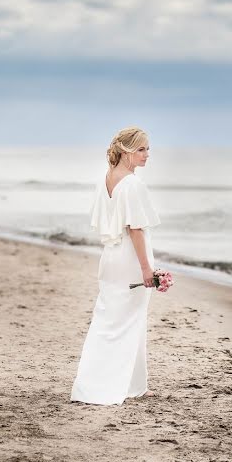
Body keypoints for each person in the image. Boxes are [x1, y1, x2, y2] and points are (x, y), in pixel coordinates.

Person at [70, 126, 161, 405]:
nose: (147, 155)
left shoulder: (107, 178)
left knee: (112, 320)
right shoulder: (133, 185)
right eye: (141, 149)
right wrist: (147, 269)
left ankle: (134, 385)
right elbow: (135, 229)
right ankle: (105, 387)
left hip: (110, 258)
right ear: (125, 151)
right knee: (125, 323)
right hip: (129, 259)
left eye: (148, 149)